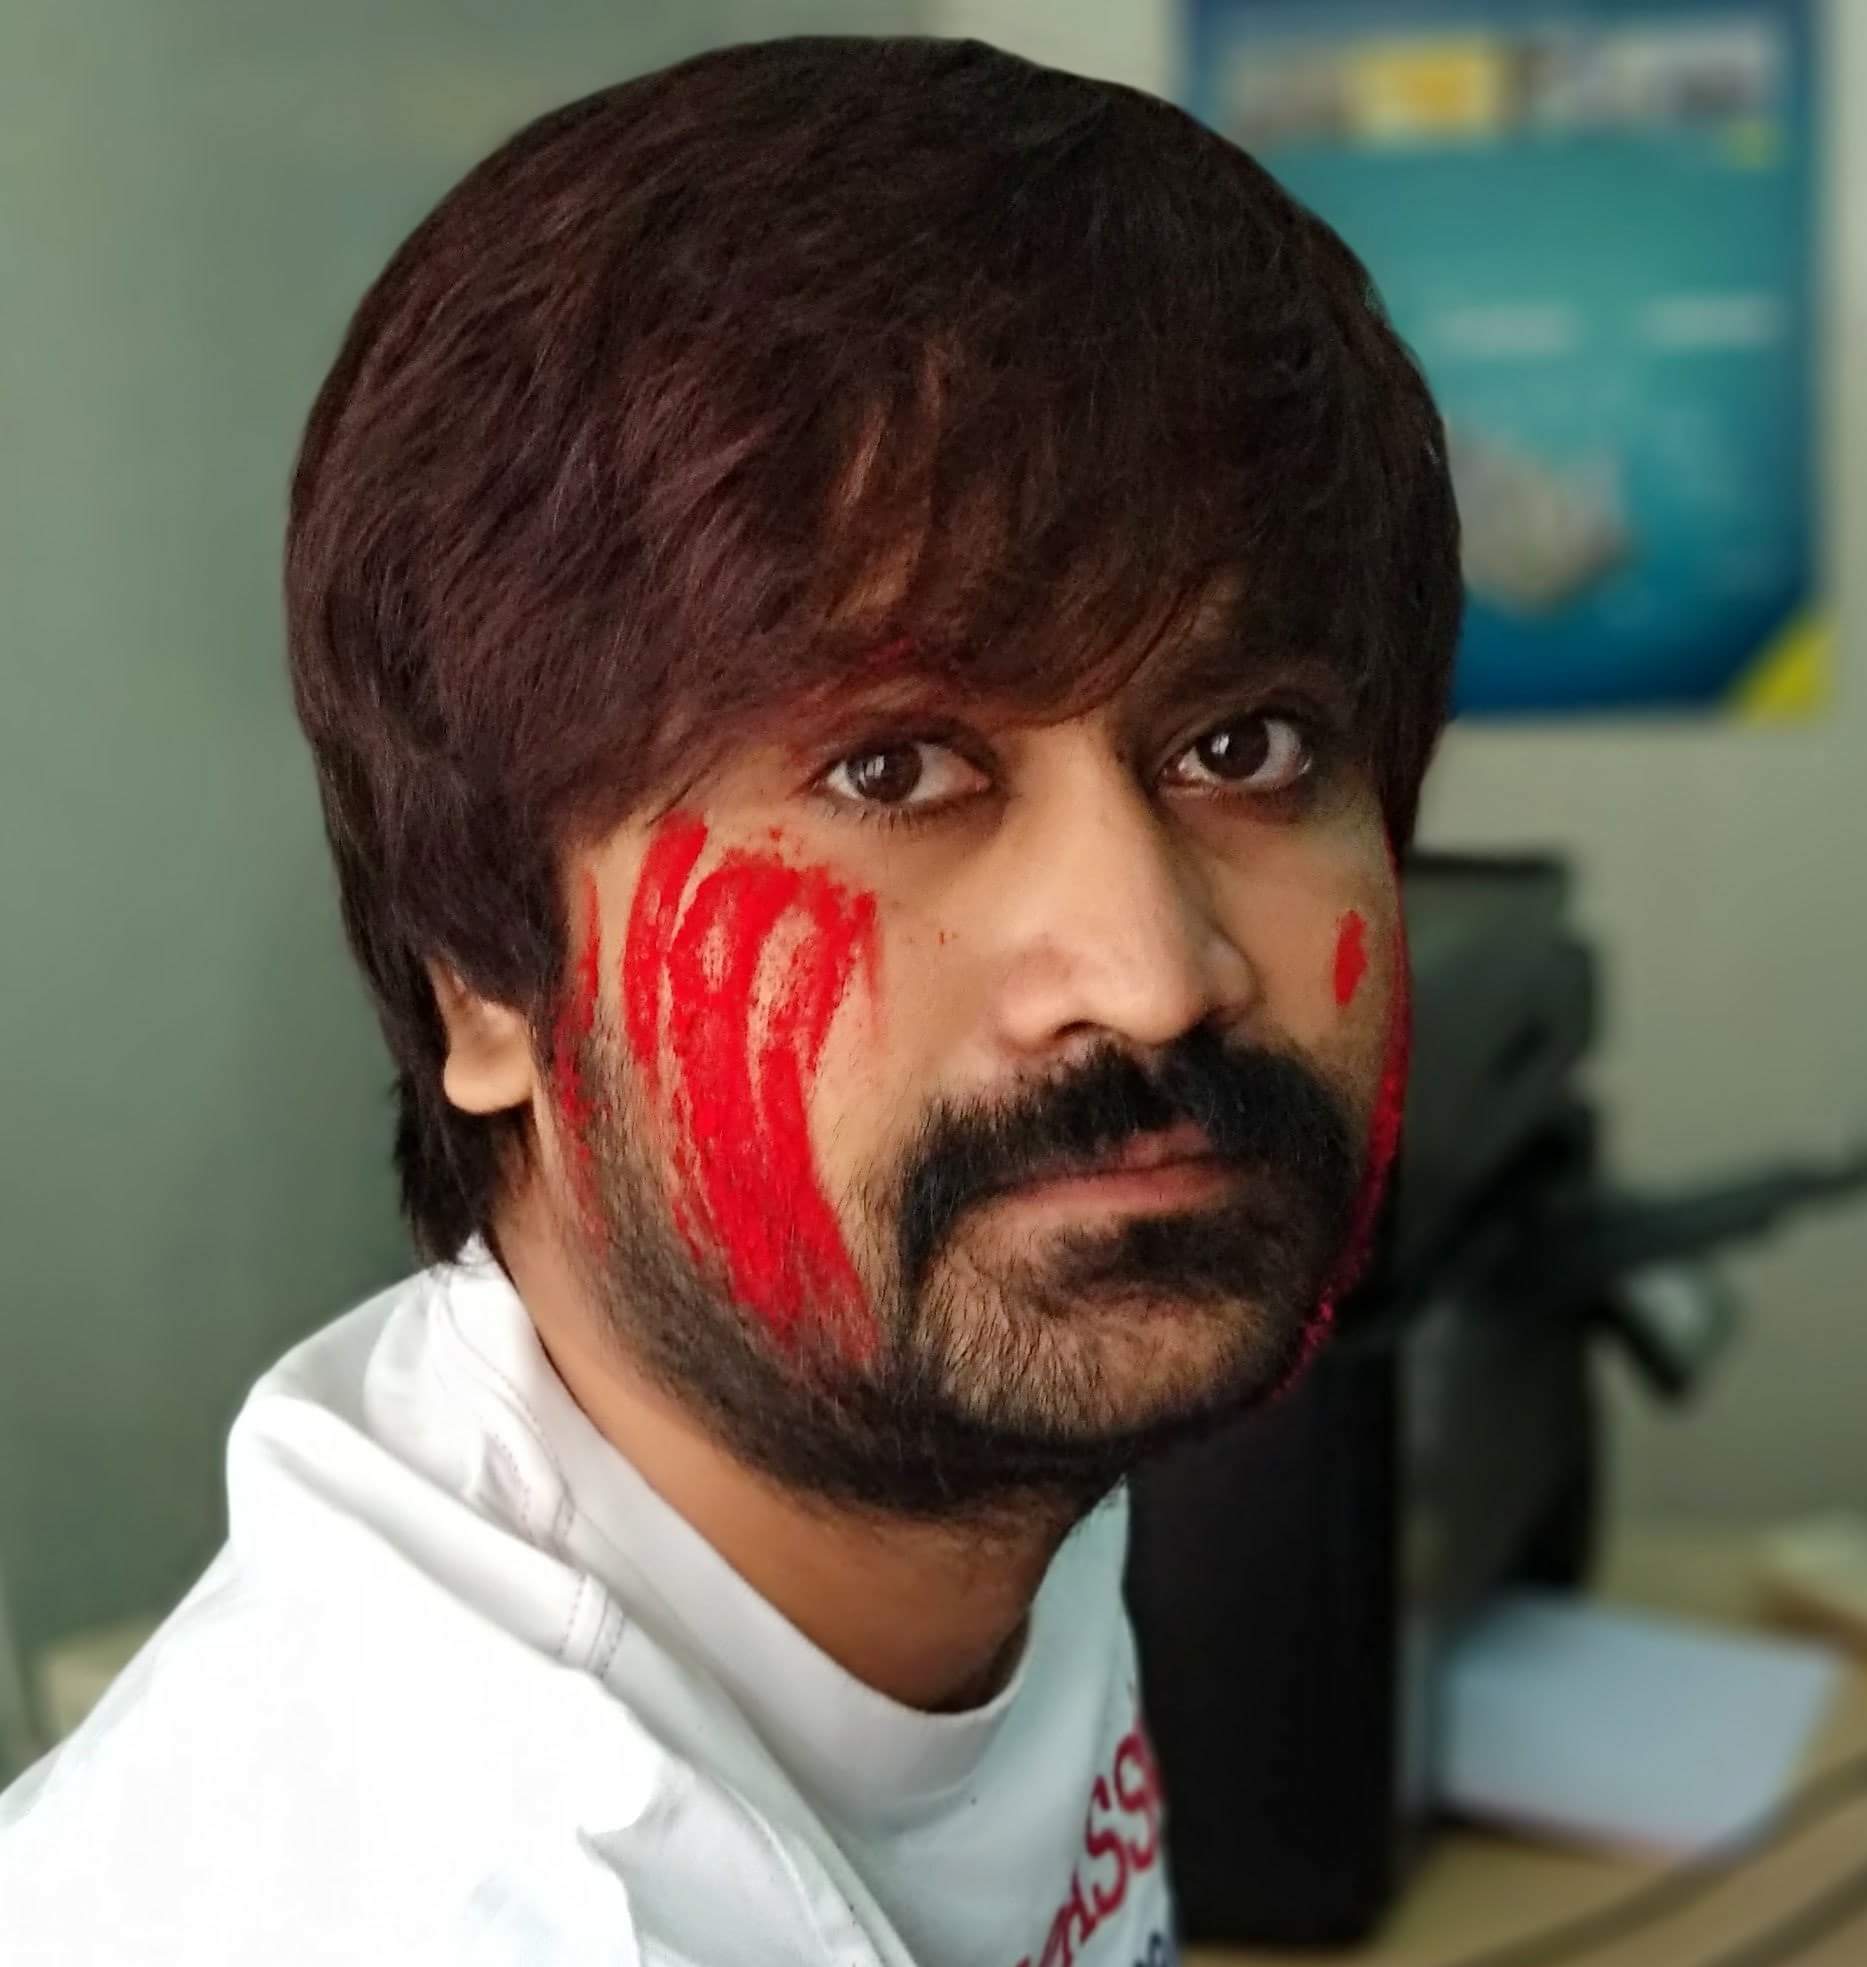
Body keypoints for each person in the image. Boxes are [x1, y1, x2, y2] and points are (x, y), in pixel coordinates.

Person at [0, 34, 1458, 1966]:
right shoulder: (466, 1906)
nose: (1154, 974)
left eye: (1241, 743)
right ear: (483, 976)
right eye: (892, 771)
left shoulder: (918, 1457)